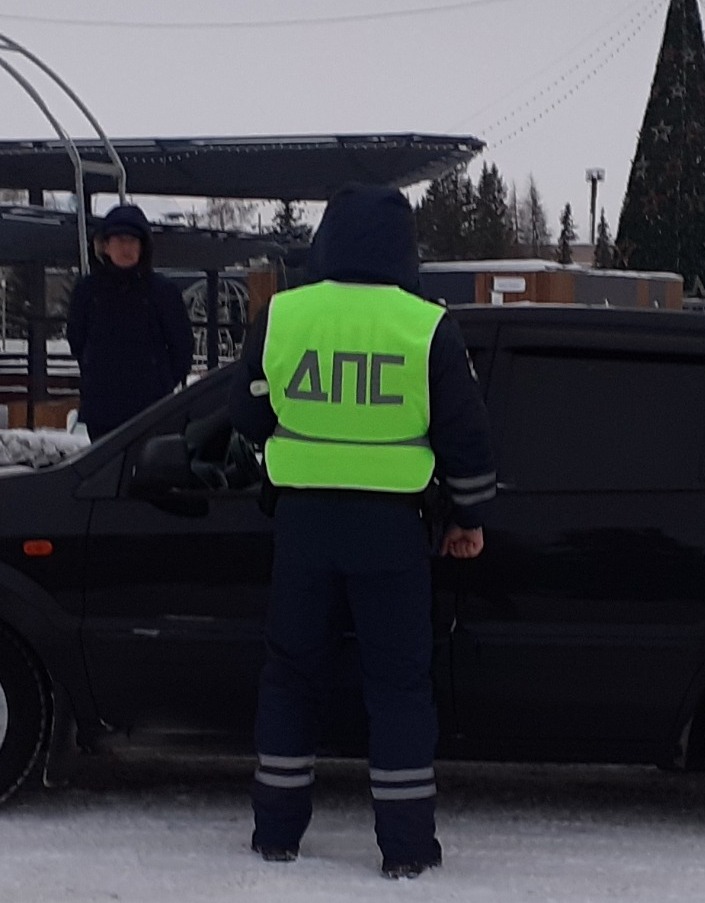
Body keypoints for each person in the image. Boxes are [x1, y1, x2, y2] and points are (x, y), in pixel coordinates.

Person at [229, 183, 495, 880]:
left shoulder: (283, 314)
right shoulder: (426, 326)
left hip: (303, 527)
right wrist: (468, 517)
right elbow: (466, 437)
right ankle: (405, 849)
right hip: (392, 532)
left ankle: (276, 835)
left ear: (328, 238)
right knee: (399, 688)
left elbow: (248, 415)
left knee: (291, 678)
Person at [66, 204, 194, 437]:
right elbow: (77, 338)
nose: (126, 248)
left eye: (133, 241)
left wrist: (161, 382)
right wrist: (96, 373)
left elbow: (182, 346)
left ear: (143, 247)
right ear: (105, 245)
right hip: (102, 411)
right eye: (120, 240)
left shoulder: (163, 292)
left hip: (152, 411)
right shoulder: (88, 291)